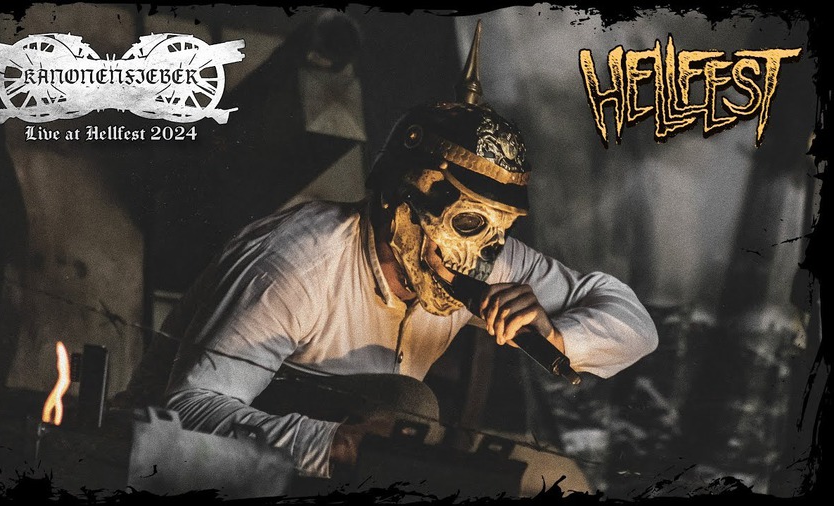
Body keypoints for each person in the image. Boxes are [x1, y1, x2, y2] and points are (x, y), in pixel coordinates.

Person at [125, 21, 658, 489]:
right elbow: (186, 410)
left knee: (555, 478)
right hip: (167, 461)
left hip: (358, 453)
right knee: (407, 410)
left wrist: (558, 336)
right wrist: (338, 444)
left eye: (499, 230)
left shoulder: (484, 257)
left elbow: (635, 325)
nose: (482, 253)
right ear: (403, 200)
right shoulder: (296, 263)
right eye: (469, 222)